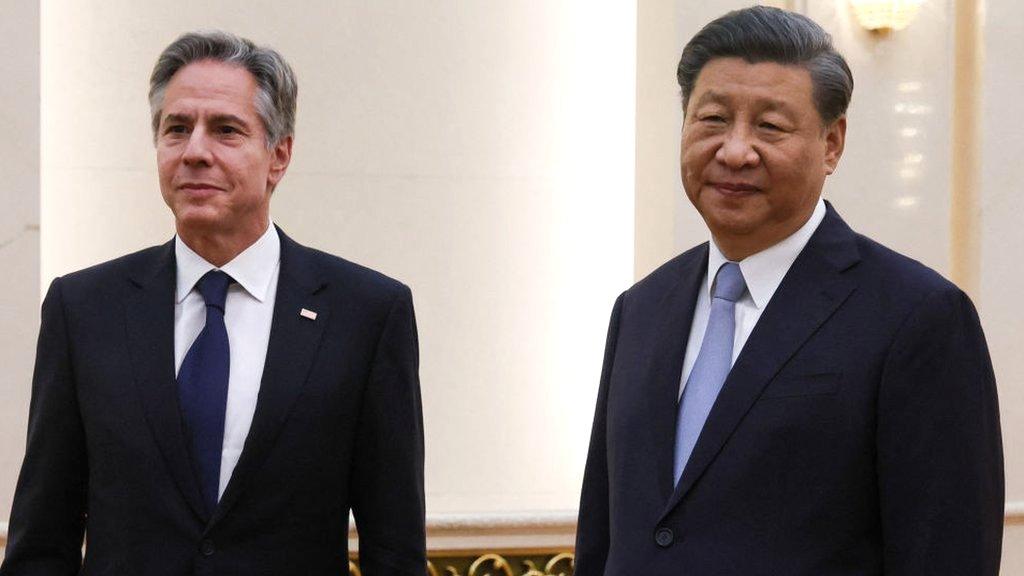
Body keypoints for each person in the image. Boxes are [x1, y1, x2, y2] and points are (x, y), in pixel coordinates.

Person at [574, 6, 1003, 575]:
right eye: (712, 120)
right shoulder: (641, 309)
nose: (734, 150)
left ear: (832, 144)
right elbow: (605, 540)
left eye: (770, 127)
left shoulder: (917, 317)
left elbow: (946, 553)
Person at [1, 31, 425, 575]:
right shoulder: (83, 309)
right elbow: (42, 537)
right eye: (176, 129)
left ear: (279, 155)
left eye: (225, 130)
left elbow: (395, 549)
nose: (195, 151)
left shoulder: (366, 314)